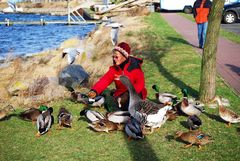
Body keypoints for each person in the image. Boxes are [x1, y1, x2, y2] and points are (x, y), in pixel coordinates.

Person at [87, 42, 147, 111]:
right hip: (120, 95)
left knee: (132, 107)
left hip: (135, 93)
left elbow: (140, 84)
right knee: (122, 107)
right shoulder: (114, 69)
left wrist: (127, 94)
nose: (114, 59)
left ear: (124, 56)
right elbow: (105, 80)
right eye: (113, 57)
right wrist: (94, 90)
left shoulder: (135, 66)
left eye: (116, 57)